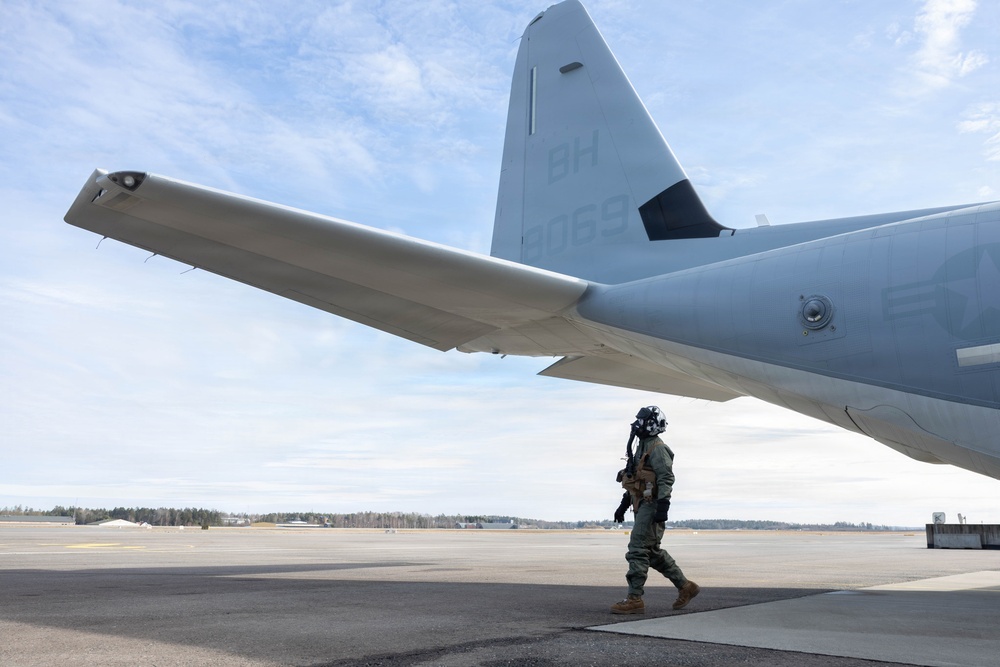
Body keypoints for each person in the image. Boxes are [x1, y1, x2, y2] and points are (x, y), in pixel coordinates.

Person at [610, 406, 699, 614]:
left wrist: (663, 505)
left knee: (638, 549)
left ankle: (635, 599)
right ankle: (686, 587)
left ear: (651, 424)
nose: (637, 424)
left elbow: (666, 478)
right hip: (642, 505)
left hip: (652, 506)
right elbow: (637, 478)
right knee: (652, 552)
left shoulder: (658, 448)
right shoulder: (641, 446)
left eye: (641, 420)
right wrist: (624, 504)